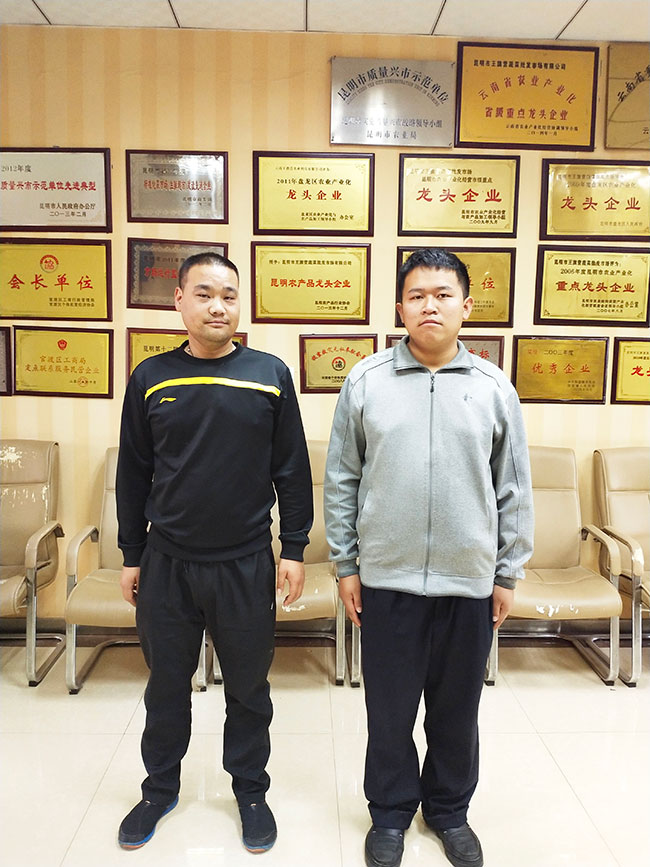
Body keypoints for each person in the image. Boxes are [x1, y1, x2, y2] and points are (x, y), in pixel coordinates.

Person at [324, 248, 534, 867]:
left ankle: (448, 812)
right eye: (417, 295)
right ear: (400, 307)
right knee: (388, 710)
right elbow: (341, 479)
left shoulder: (493, 388)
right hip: (386, 579)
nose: (430, 306)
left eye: (443, 295)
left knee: (456, 711)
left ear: (466, 306)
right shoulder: (366, 381)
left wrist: (506, 572)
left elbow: (513, 488)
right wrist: (346, 564)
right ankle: (390, 813)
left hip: (468, 581)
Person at [115, 251, 312, 854]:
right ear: (179, 300)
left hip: (245, 562)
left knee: (249, 689)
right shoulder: (151, 377)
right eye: (204, 294)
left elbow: (292, 469)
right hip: (167, 562)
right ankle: (158, 789)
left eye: (228, 295)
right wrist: (131, 554)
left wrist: (294, 547)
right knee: (165, 686)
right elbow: (133, 473)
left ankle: (250, 791)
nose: (218, 306)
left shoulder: (269, 374)